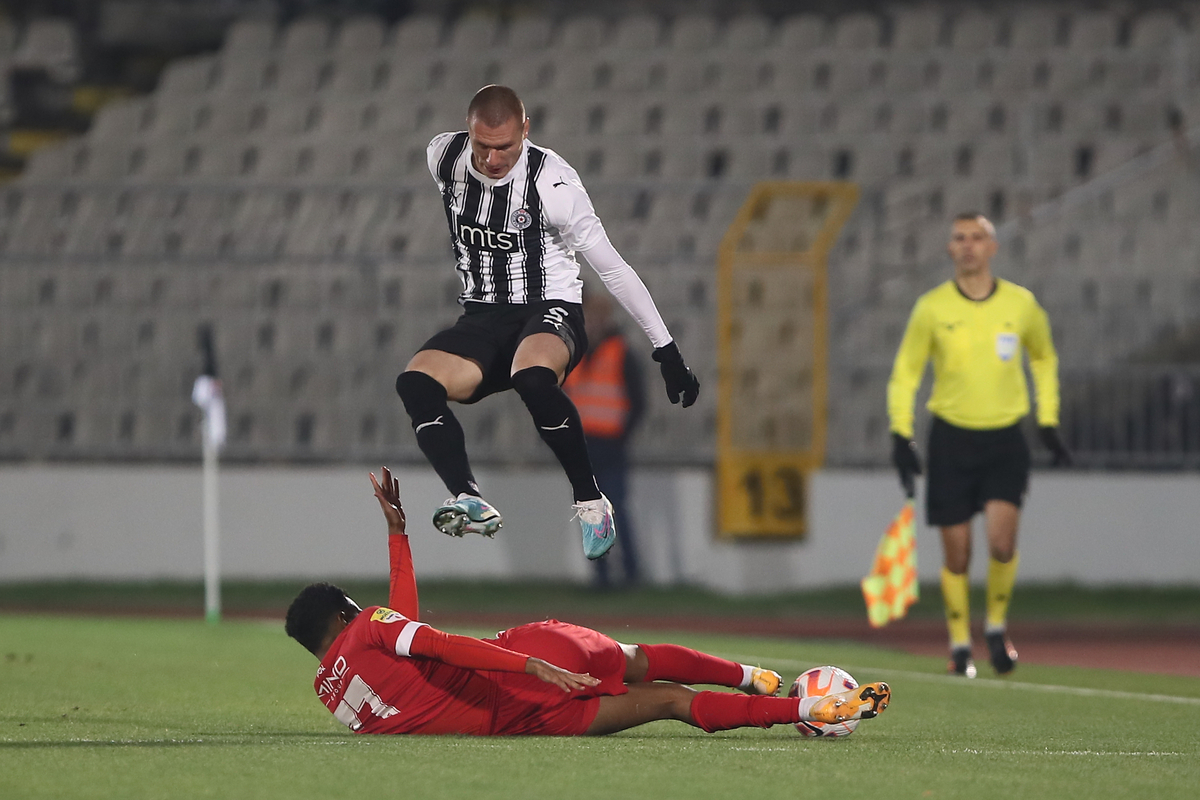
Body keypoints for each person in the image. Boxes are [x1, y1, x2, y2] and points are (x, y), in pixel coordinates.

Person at [284, 467, 891, 737]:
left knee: (672, 704)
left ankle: (807, 713)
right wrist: (529, 663)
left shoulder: (331, 694)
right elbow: (437, 640)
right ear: (344, 612)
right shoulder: (368, 626)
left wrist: (398, 533)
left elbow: (408, 637)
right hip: (528, 660)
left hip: (530, 723)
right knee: (640, 659)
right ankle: (749, 675)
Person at [394, 85, 700, 561]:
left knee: (533, 378)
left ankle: (591, 501)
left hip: (550, 308)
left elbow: (613, 268)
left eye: (506, 147)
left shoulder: (553, 184)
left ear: (526, 131)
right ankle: (468, 496)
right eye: (484, 147)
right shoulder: (442, 155)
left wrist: (667, 350)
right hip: (483, 314)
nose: (494, 160)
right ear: (468, 133)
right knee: (414, 382)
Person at [887, 212, 1072, 678]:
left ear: (992, 248)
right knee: (957, 553)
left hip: (1005, 437)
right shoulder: (931, 307)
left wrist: (1047, 420)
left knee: (1002, 543)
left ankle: (994, 628)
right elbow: (906, 373)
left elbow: (1045, 357)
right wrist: (899, 432)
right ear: (950, 249)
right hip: (951, 437)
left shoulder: (1021, 304)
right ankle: (958, 645)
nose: (968, 246)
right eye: (959, 238)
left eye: (977, 238)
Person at [562, 285, 645, 587]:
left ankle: (631, 574)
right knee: (590, 513)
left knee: (617, 510)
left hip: (610, 445)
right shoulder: (575, 354)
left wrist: (621, 436)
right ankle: (602, 578)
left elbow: (637, 403)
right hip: (582, 448)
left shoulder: (621, 353)